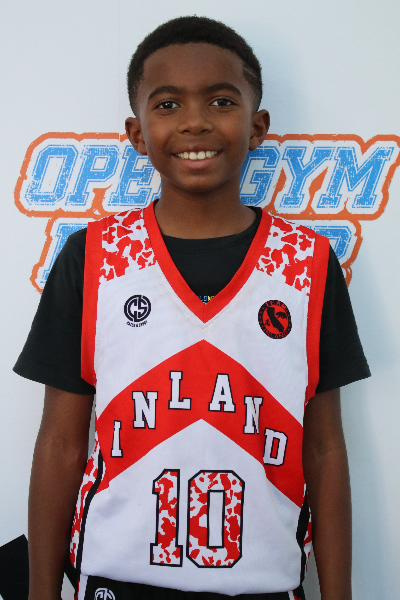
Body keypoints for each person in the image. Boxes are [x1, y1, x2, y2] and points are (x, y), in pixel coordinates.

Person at [14, 16, 370, 600]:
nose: (195, 121)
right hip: (117, 581)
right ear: (137, 133)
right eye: (168, 104)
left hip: (264, 582)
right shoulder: (94, 256)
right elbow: (60, 443)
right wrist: (40, 592)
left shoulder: (306, 263)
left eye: (221, 101)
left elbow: (325, 448)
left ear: (258, 127)